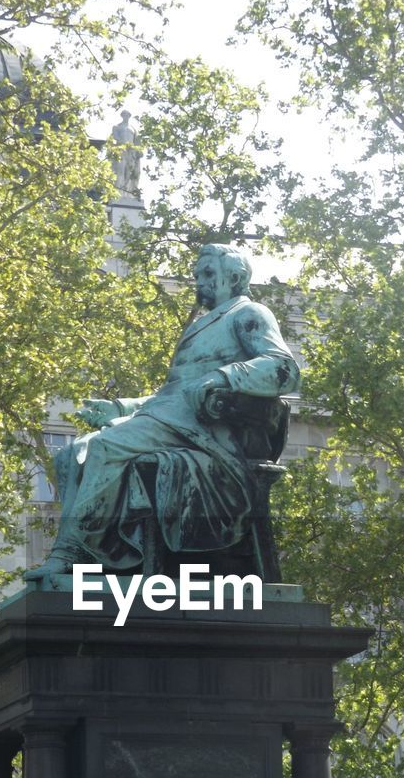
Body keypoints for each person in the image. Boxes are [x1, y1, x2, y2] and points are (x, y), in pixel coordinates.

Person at [26, 244, 300, 578]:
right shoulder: (200, 326)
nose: (199, 282)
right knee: (73, 453)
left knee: (103, 447)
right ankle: (98, 554)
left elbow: (284, 368)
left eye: (209, 274)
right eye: (198, 275)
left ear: (236, 277)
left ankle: (72, 553)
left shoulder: (249, 314)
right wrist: (119, 407)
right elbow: (172, 392)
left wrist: (224, 376)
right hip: (173, 419)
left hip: (208, 433)